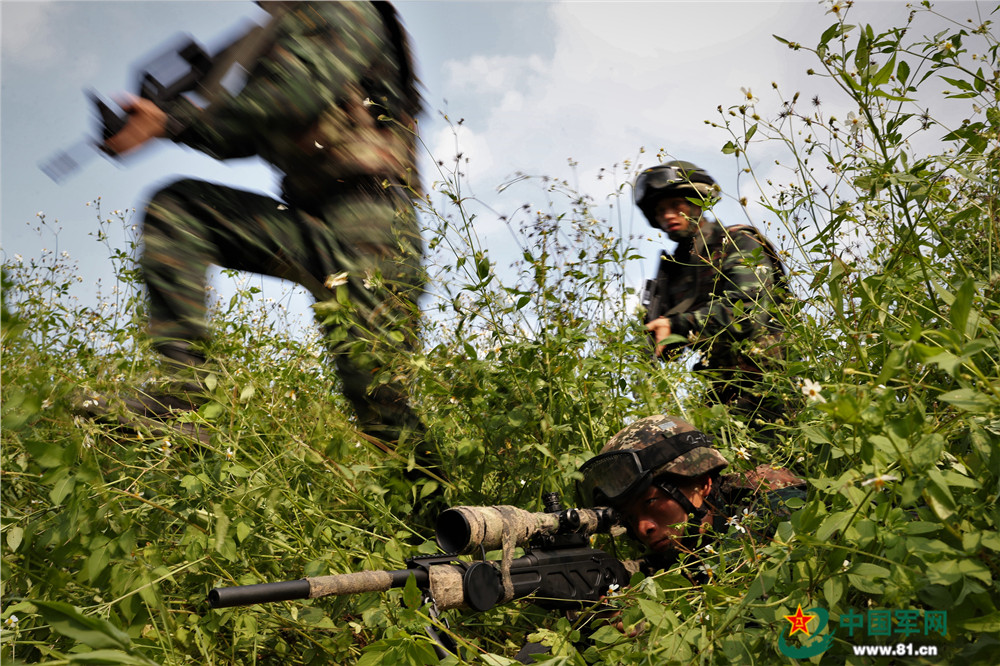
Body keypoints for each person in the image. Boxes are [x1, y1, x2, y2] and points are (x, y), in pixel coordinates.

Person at [101, 2, 431, 462]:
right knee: (179, 211)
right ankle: (183, 400)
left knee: (380, 407)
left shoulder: (343, 7)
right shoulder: (281, 29)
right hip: (310, 218)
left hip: (372, 223)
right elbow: (244, 135)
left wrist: (176, 120)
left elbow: (291, 97)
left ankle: (449, 526)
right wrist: (163, 123)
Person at [634, 161, 790, 421]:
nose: (668, 216)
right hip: (722, 392)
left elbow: (747, 311)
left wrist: (677, 324)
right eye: (661, 211)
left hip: (772, 382)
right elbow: (672, 350)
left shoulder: (737, 241)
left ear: (698, 200)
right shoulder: (677, 270)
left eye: (676, 205)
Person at [576, 414, 806, 575]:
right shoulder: (684, 546)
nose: (643, 528)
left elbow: (733, 576)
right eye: (630, 519)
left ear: (701, 483)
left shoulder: (767, 496)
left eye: (651, 502)